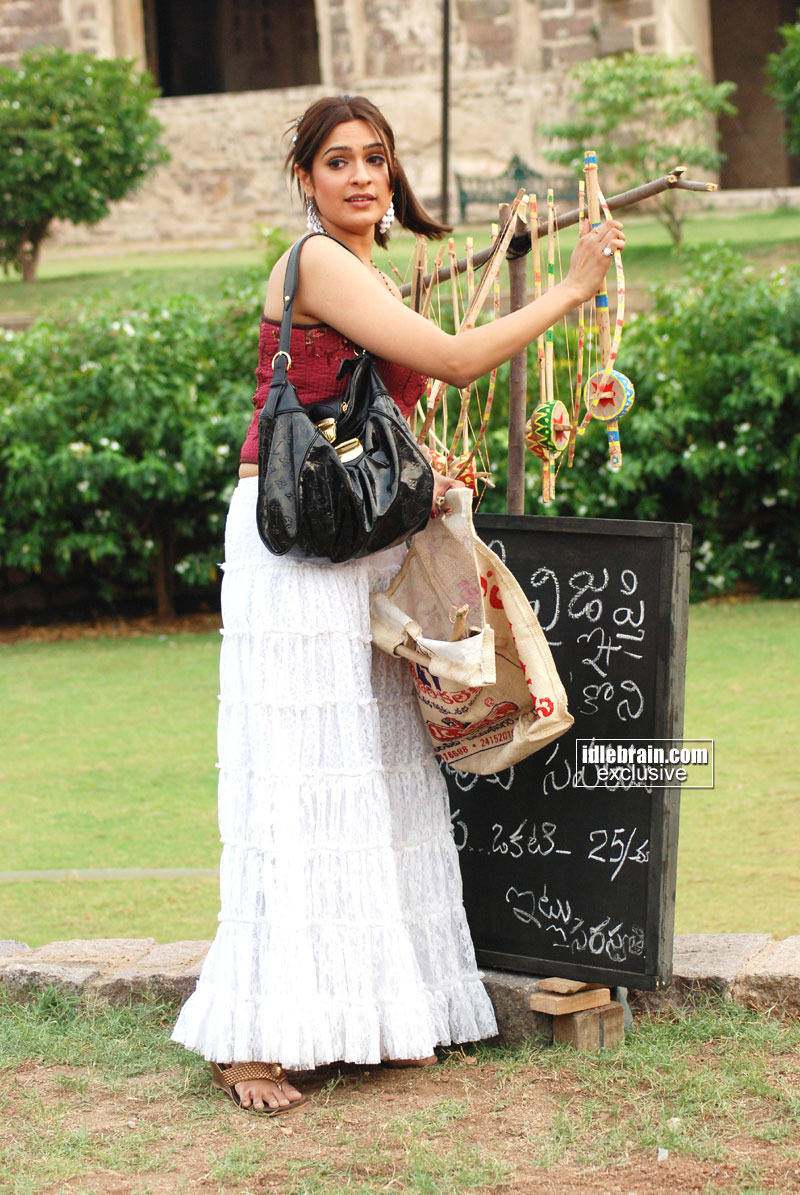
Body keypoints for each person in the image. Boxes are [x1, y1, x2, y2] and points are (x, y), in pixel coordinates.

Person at [171, 94, 624, 1114]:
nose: (361, 177)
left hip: (357, 541)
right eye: (337, 161)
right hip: (297, 545)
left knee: (371, 773)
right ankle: (251, 1040)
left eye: (374, 158)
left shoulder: (365, 269)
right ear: (305, 178)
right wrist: (569, 289)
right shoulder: (317, 262)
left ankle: (367, 1014)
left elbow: (379, 408)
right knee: (301, 779)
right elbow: (452, 361)